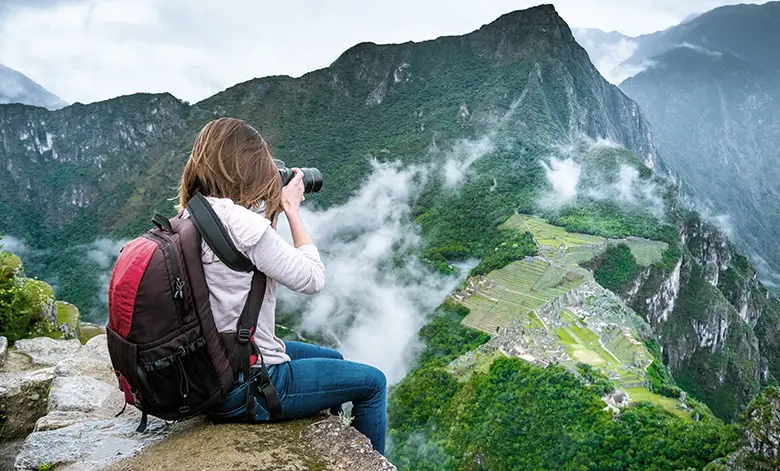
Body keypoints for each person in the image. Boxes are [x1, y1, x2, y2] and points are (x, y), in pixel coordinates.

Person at [177, 117, 387, 454]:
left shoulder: (195, 213)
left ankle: (327, 442)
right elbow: (312, 278)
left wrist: (265, 206)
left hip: (213, 368)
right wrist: (290, 208)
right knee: (373, 383)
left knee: (333, 357)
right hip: (248, 383)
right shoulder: (245, 226)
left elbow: (250, 258)